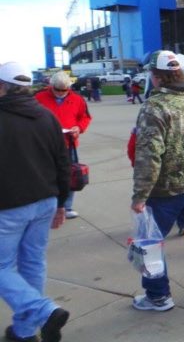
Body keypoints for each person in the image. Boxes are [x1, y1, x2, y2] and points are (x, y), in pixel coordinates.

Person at [130, 50, 184, 312]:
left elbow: (148, 154)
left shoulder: (155, 106)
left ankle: (158, 296)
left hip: (163, 193)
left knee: (148, 245)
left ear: (157, 76)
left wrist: (140, 195)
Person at [0, 62, 71, 342]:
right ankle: (24, 331)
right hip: (45, 201)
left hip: (9, 206)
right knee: (32, 263)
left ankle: (43, 310)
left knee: (3, 267)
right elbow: (62, 163)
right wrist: (62, 202)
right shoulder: (46, 116)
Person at [35, 71, 92, 219]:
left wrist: (78, 128)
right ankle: (47, 207)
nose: (61, 93)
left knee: (69, 175)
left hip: (68, 143)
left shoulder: (77, 99)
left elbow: (85, 117)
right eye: (57, 90)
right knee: (45, 175)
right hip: (45, 145)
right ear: (51, 86)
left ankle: (66, 207)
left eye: (64, 90)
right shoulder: (39, 98)